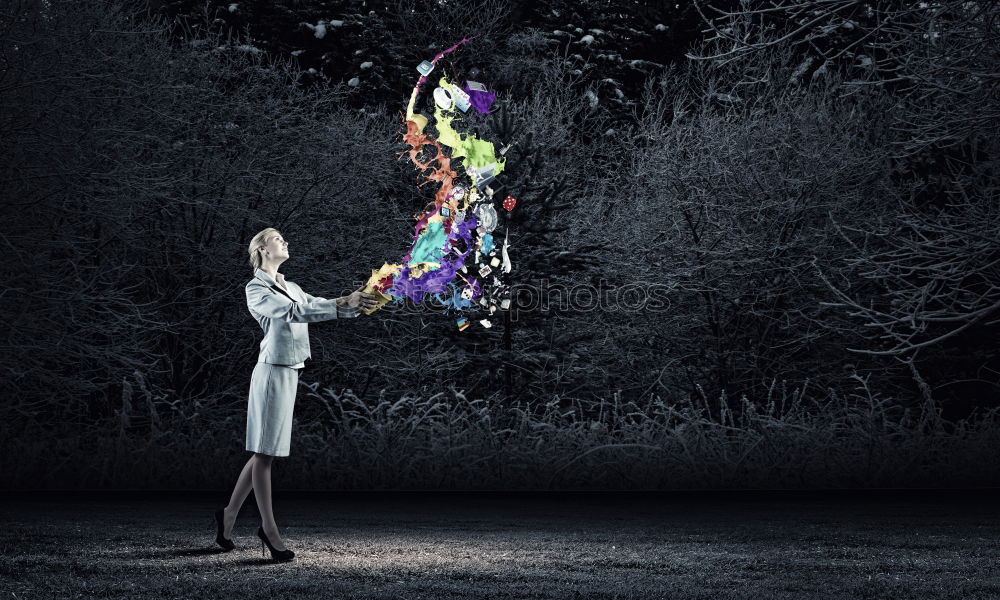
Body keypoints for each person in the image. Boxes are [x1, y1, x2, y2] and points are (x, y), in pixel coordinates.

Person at [213, 227, 378, 561]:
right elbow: (292, 313)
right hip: (271, 371)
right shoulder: (256, 289)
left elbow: (317, 306)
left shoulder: (291, 287)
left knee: (264, 451)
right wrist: (342, 303)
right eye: (277, 239)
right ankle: (269, 530)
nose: (285, 242)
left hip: (289, 370)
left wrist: (361, 300)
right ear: (261, 249)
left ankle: (228, 514)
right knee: (265, 454)